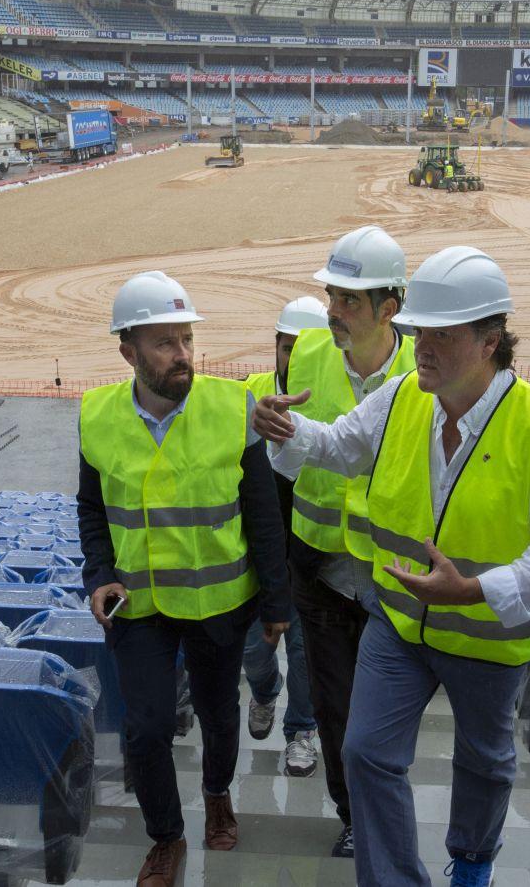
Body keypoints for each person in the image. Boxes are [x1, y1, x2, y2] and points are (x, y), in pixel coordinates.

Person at [254, 246, 530, 887]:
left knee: (486, 763)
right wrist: (286, 430)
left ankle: (470, 861)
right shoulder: (404, 396)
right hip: (402, 623)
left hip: (491, 636)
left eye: (442, 335)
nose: (422, 348)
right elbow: (338, 445)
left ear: (491, 341)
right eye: (420, 333)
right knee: (366, 752)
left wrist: (477, 588)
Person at [78, 271, 291, 887]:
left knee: (220, 715)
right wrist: (99, 575)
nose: (183, 355)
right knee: (146, 730)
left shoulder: (233, 410)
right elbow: (92, 508)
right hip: (137, 605)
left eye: (187, 340)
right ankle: (165, 837)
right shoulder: (97, 415)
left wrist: (276, 600)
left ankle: (218, 793)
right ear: (129, 352)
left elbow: (262, 512)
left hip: (219, 603)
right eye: (166, 343)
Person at [279, 225, 415, 859]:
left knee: (383, 716)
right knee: (334, 708)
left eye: (349, 301)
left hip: (395, 579)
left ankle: (383, 804)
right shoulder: (305, 352)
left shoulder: (428, 371)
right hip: (321, 571)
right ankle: (353, 814)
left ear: (391, 308)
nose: (333, 312)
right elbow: (275, 449)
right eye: (332, 296)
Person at [242, 296, 329, 777]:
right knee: (256, 651)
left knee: (305, 654)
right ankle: (263, 692)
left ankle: (301, 730)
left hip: (313, 556)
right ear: (274, 347)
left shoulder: (336, 399)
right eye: (286, 347)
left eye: (303, 347)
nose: (293, 358)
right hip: (260, 555)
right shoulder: (247, 395)